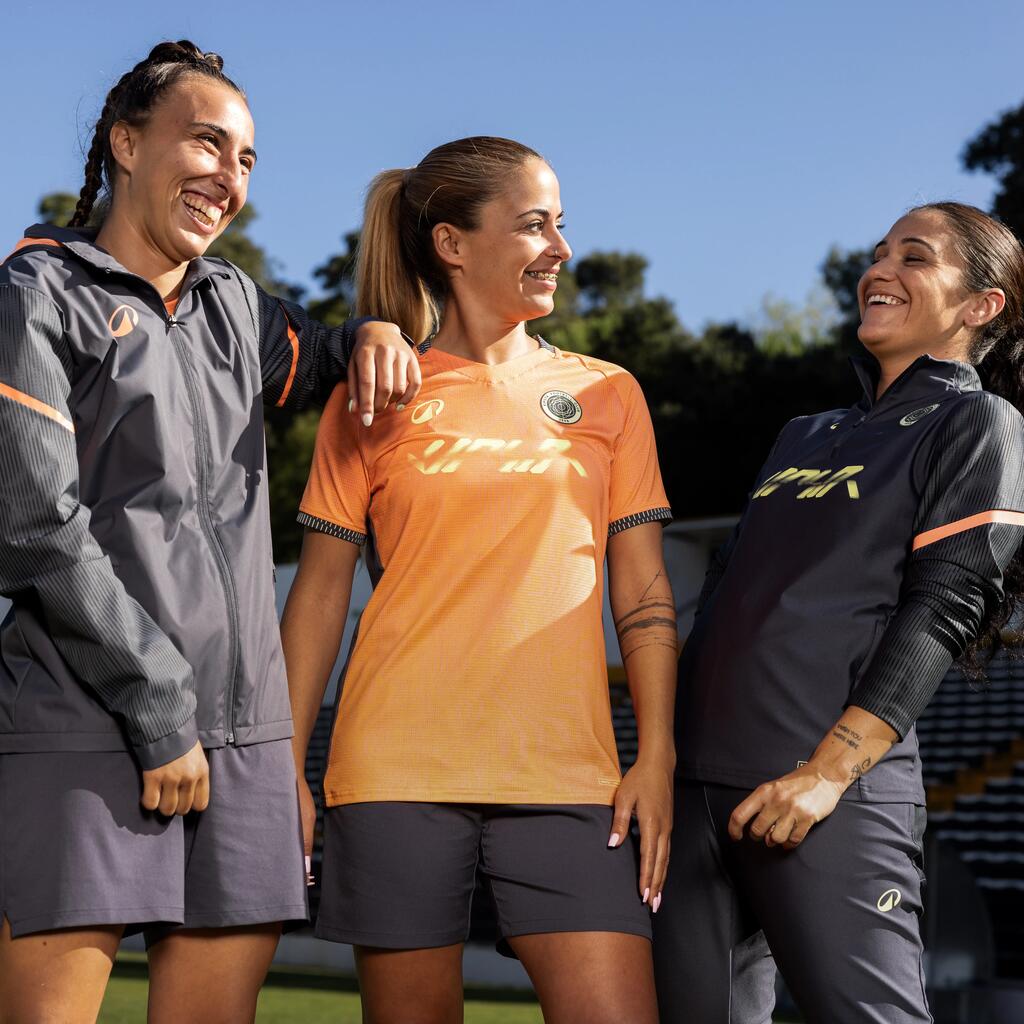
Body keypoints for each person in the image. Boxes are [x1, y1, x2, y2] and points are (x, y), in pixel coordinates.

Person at [0, 40, 418, 1023]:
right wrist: (158, 708)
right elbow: (32, 526)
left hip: (246, 742)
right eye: (205, 143)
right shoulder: (35, 294)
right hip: (83, 722)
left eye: (245, 159)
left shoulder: (233, 303)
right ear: (127, 143)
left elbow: (324, 356)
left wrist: (372, 332)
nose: (228, 175)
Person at [282, 136, 677, 1024]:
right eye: (535, 225)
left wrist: (656, 754)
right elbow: (319, 595)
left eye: (561, 224)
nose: (561, 248)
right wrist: (287, 770)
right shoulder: (372, 396)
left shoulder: (610, 393)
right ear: (452, 243)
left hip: (569, 778)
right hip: (393, 769)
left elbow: (644, 593)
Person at [654, 201, 1024, 1023]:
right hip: (694, 793)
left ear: (980, 305)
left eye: (914, 257)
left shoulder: (978, 422)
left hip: (823, 795)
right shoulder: (801, 433)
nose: (880, 270)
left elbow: (947, 604)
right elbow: (725, 591)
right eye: (879, 252)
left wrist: (824, 776)